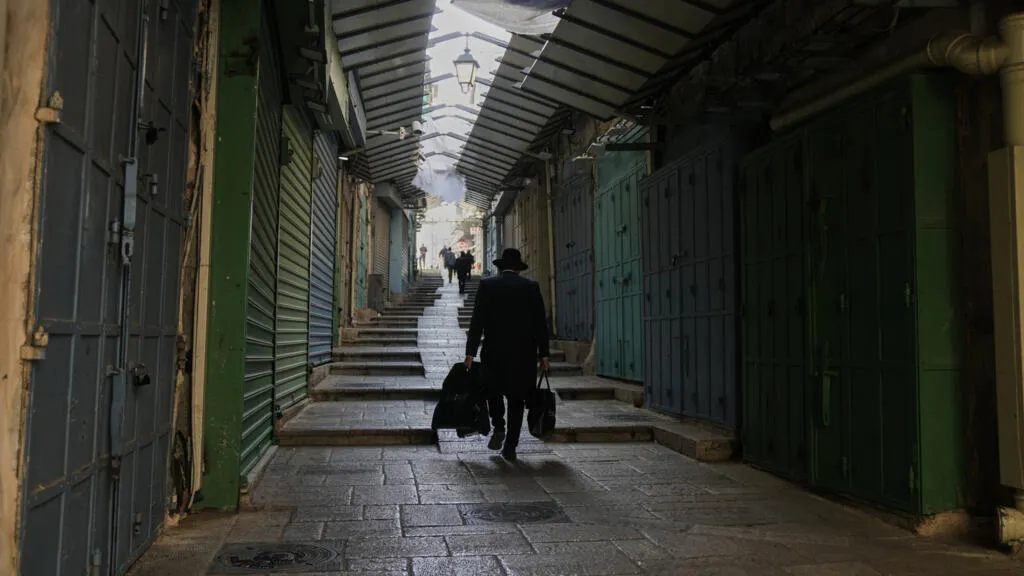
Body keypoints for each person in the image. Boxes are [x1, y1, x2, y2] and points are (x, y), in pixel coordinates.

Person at [464, 248, 549, 462]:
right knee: (517, 398)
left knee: (493, 391)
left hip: (494, 350)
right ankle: (511, 446)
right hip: (524, 353)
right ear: (518, 268)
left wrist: (470, 352)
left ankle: (499, 426)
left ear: (501, 267)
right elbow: (540, 324)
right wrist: (544, 354)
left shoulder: (487, 285)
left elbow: (477, 321)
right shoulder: (531, 287)